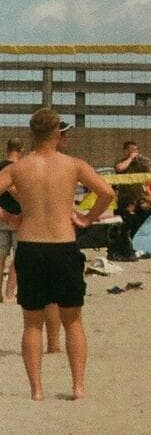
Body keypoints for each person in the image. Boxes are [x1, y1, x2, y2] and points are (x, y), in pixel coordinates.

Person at [0, 109, 115, 400]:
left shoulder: (19, 168)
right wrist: (88, 218)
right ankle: (78, 386)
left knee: (32, 323)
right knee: (73, 321)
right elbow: (107, 192)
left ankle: (37, 390)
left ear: (30, 134)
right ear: (58, 134)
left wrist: (9, 218)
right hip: (63, 245)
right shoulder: (73, 164)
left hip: (31, 245)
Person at [0, 137, 23, 302]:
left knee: (0, 256)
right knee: (18, 259)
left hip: (1, 217)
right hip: (19, 218)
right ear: (21, 149)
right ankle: (9, 294)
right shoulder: (21, 169)